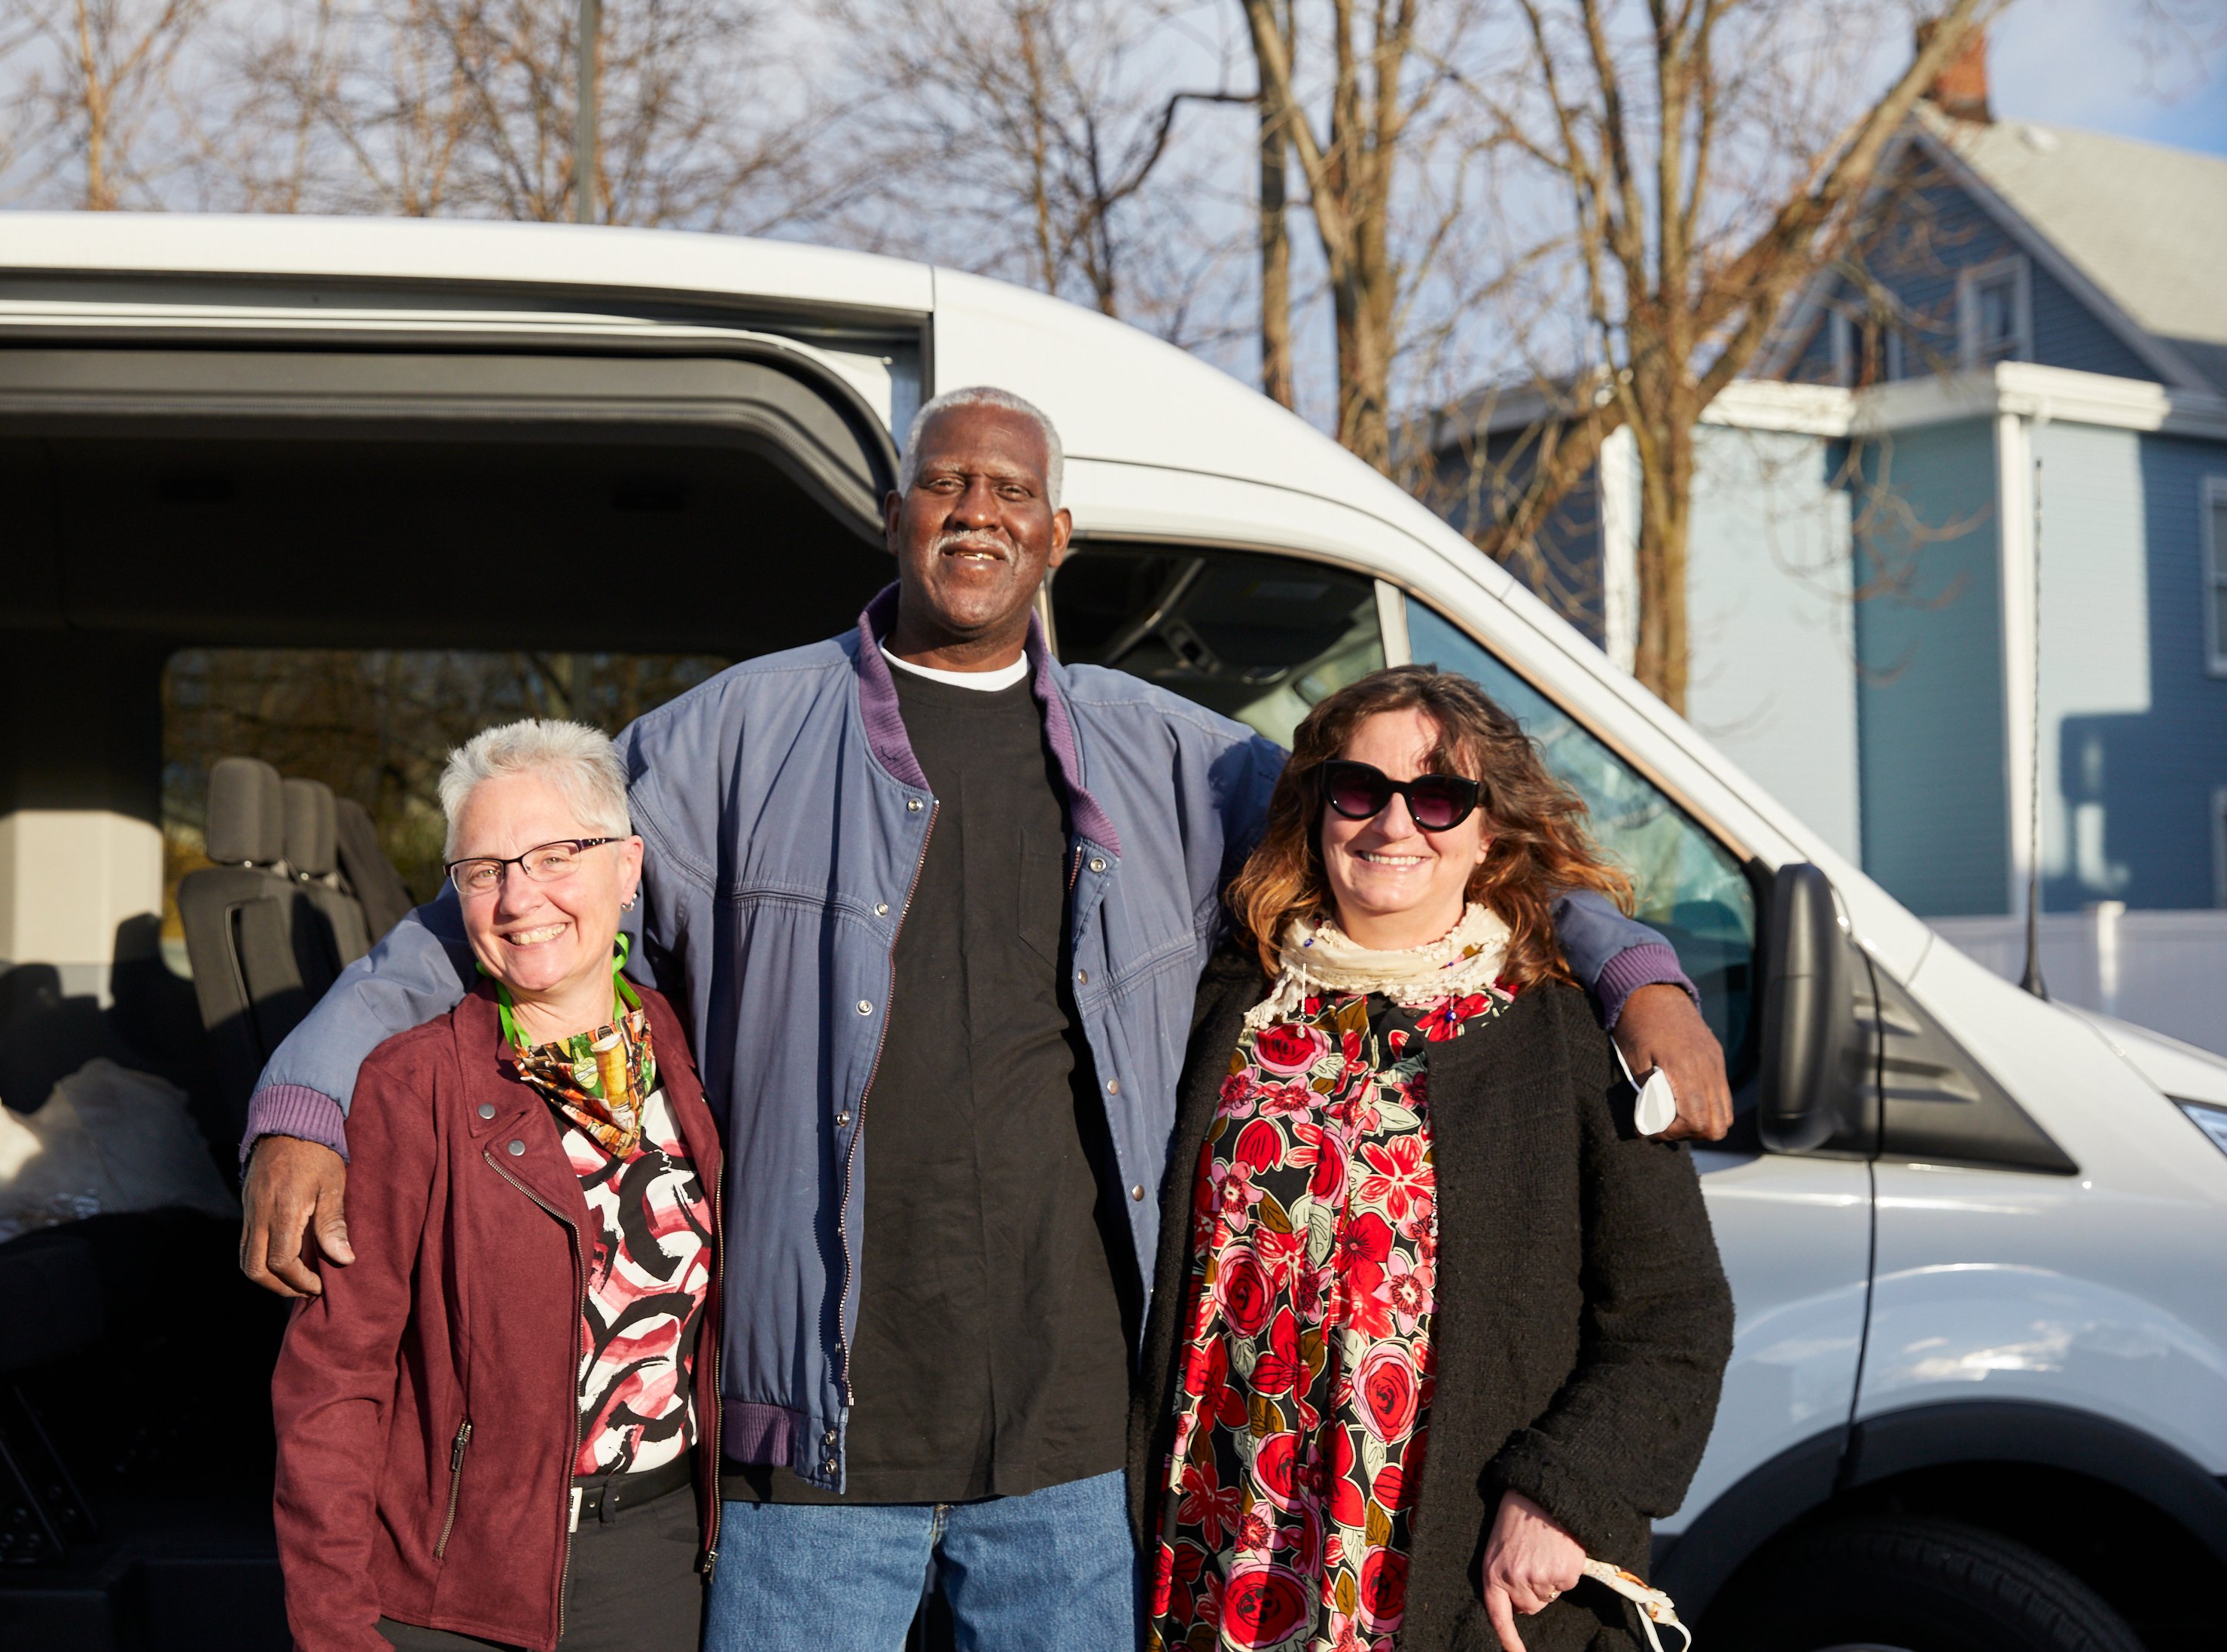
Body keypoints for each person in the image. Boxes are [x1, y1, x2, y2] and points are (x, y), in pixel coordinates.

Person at [238, 386, 1733, 1648]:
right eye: (944, 480)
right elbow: (489, 912)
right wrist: (304, 1105)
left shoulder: (1174, 760)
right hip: (810, 1466)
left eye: (1011, 487)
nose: (976, 508)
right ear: (897, 515)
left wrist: (1635, 972)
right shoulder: (725, 740)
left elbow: (1412, 822)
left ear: (1055, 533)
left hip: (1075, 1466)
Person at [1129, 666, 1732, 1652]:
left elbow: (1674, 1318)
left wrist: (1560, 1494)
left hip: (1443, 1568)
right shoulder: (1228, 1004)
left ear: (1492, 830)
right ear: (1319, 806)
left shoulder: (1563, 1033)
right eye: (1359, 789)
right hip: (1218, 1550)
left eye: (1438, 795)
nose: (1392, 825)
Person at [273, 721, 721, 1652]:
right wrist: (334, 1626)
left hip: (658, 1568)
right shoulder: (411, 1084)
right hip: (455, 1586)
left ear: (627, 868)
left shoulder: (690, 1053)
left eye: (557, 855)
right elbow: (334, 1380)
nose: (521, 898)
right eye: (482, 871)